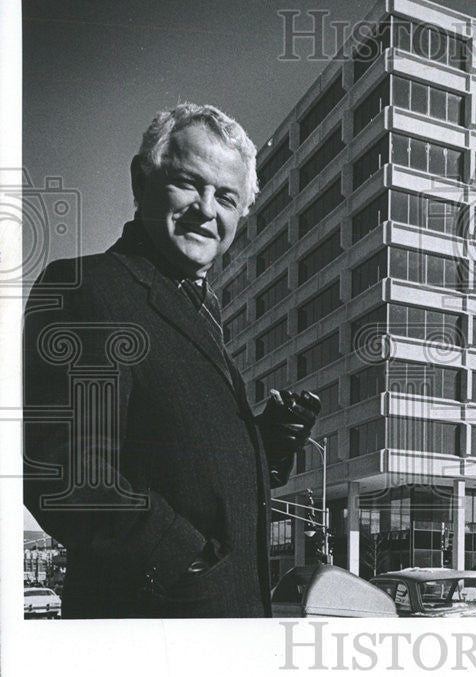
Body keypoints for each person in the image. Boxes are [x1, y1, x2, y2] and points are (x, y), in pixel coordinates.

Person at [23, 103, 319, 618]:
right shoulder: (89, 288)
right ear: (142, 181)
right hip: (155, 638)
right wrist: (187, 562)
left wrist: (262, 444)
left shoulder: (202, 312)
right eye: (188, 183)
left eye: (226, 197)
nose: (207, 209)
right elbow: (63, 472)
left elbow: (186, 477)